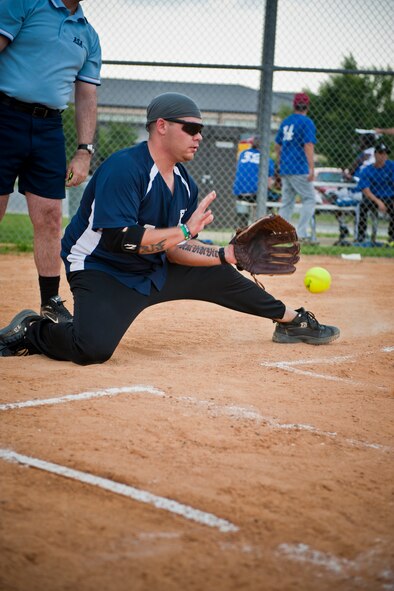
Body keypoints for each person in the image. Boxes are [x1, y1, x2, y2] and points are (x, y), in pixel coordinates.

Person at [0, 92, 340, 363]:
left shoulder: (184, 183)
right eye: (190, 129)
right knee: (92, 349)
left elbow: (176, 251)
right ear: (161, 126)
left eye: (200, 130)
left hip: (154, 264)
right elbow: (123, 241)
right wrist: (186, 231)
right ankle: (33, 330)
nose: (199, 137)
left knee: (222, 273)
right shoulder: (125, 169)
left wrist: (228, 253)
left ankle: (290, 320)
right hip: (103, 269)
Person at [0, 0, 102, 322]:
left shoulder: (89, 35)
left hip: (49, 128)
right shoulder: (23, 4)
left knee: (50, 217)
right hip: (4, 115)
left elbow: (86, 94)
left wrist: (84, 150)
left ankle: (50, 303)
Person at [274, 92, 317, 244]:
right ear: (307, 106)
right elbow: (308, 145)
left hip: (286, 167)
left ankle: (281, 233)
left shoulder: (286, 121)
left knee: (287, 202)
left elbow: (277, 145)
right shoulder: (307, 122)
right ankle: (301, 233)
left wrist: (280, 164)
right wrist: (312, 168)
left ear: (294, 105)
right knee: (310, 198)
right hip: (299, 167)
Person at [354, 142, 394, 246]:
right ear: (375, 154)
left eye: (385, 154)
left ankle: (392, 237)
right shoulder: (367, 170)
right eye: (381, 153)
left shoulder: (391, 166)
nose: (383, 156)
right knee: (363, 206)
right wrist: (378, 202)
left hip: (389, 197)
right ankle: (361, 236)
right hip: (373, 198)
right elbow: (366, 190)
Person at [232, 135, 276, 225]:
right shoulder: (266, 158)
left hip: (240, 193)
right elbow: (269, 183)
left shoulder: (243, 154)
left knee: (244, 211)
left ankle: (243, 223)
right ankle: (262, 221)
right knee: (275, 197)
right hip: (256, 194)